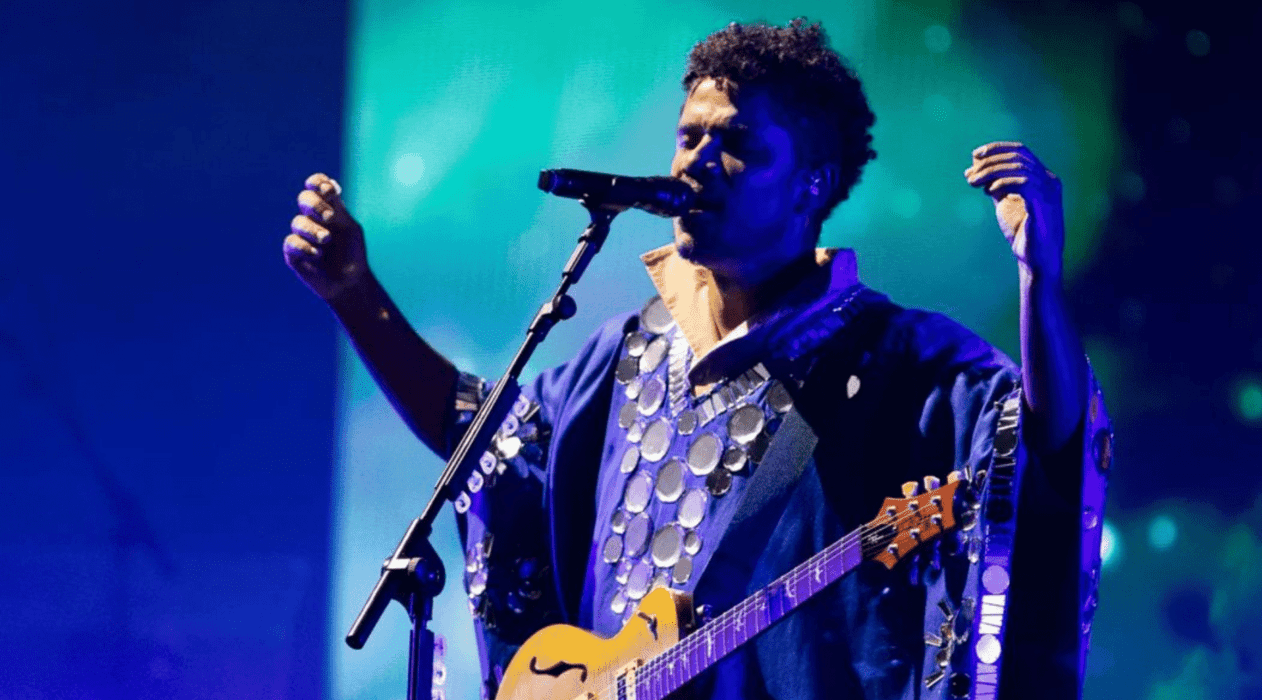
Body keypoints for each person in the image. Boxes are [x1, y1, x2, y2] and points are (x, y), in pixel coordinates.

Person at [284, 19, 1111, 700]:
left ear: (813, 183)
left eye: (739, 143)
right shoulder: (625, 355)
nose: (696, 162)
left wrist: (1039, 280)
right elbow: (487, 452)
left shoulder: (904, 361)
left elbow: (1043, 448)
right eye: (690, 136)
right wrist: (357, 295)